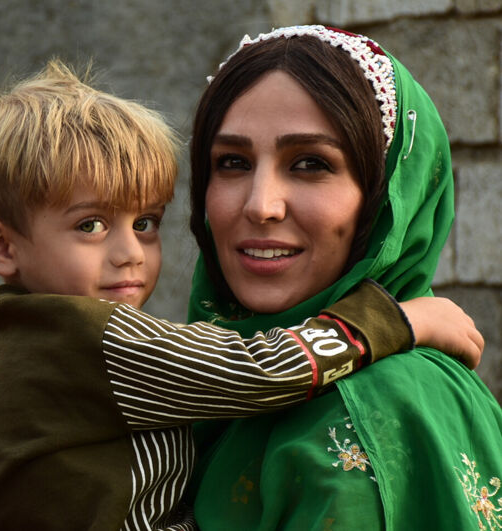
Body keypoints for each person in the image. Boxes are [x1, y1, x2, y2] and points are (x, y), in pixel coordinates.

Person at [0, 60, 482, 530]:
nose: (129, 253)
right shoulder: (81, 337)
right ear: (1, 247)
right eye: (90, 225)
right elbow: (261, 371)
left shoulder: (29, 337)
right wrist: (398, 321)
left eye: (145, 222)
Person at [185, 25, 502, 530]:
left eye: (310, 163)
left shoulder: (359, 417)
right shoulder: (192, 378)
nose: (260, 205)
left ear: (385, 201)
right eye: (232, 163)